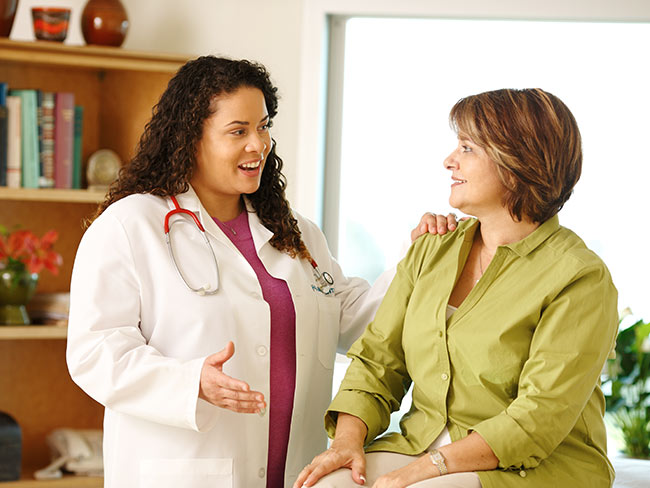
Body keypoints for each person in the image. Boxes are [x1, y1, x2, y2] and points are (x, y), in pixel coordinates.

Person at [66, 55, 456, 488]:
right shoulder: (131, 225)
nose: (259, 144)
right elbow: (94, 352)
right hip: (186, 472)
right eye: (238, 131)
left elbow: (359, 320)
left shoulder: (293, 232)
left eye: (264, 126)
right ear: (189, 138)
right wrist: (190, 381)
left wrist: (418, 258)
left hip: (293, 472)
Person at [295, 88, 618, 488]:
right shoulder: (432, 248)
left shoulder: (579, 277)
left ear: (516, 161)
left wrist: (418, 472)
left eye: (467, 148)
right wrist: (346, 442)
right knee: (327, 485)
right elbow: (379, 363)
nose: (449, 160)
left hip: (529, 467)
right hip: (420, 443)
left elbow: (538, 416)